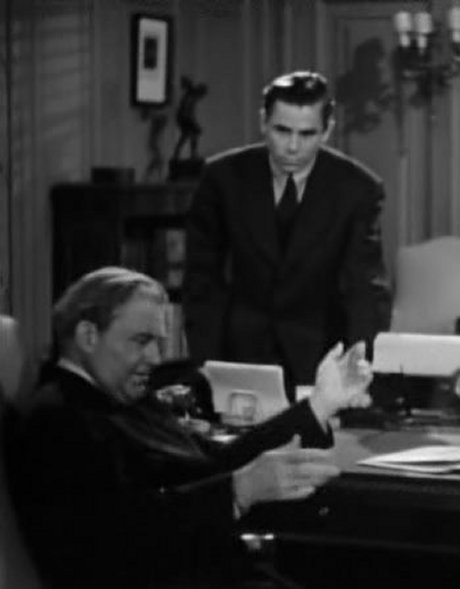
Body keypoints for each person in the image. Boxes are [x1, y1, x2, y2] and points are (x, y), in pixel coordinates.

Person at [3, 266, 372, 588]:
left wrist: (319, 404)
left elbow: (212, 464)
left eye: (159, 343)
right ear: (88, 336)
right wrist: (239, 490)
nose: (156, 358)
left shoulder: (126, 397)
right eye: (141, 341)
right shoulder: (55, 421)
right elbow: (118, 540)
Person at [183, 70, 391, 399]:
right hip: (239, 353)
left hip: (321, 357)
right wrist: (206, 363)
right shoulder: (222, 178)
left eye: (307, 134)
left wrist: (356, 372)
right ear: (263, 122)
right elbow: (201, 280)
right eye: (282, 131)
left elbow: (364, 289)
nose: (293, 147)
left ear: (327, 130)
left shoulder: (357, 189)